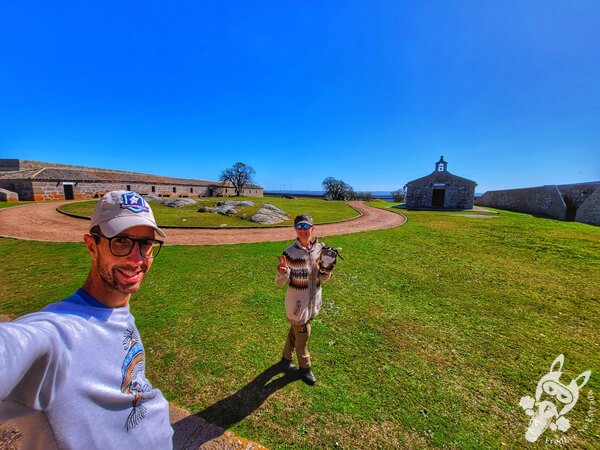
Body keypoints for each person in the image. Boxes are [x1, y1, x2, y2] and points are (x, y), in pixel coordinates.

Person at [0, 190, 173, 449]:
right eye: (121, 241)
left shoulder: (118, 312)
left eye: (146, 244)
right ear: (92, 246)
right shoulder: (56, 332)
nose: (137, 259)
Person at [275, 214, 337, 386]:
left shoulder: (321, 249)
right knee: (303, 335)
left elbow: (323, 279)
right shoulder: (289, 253)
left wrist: (327, 270)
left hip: (313, 302)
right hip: (297, 304)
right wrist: (282, 273)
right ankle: (305, 368)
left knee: (296, 330)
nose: (303, 230)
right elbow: (280, 283)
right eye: (299, 227)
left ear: (312, 228)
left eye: (306, 226)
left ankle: (285, 360)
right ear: (295, 229)